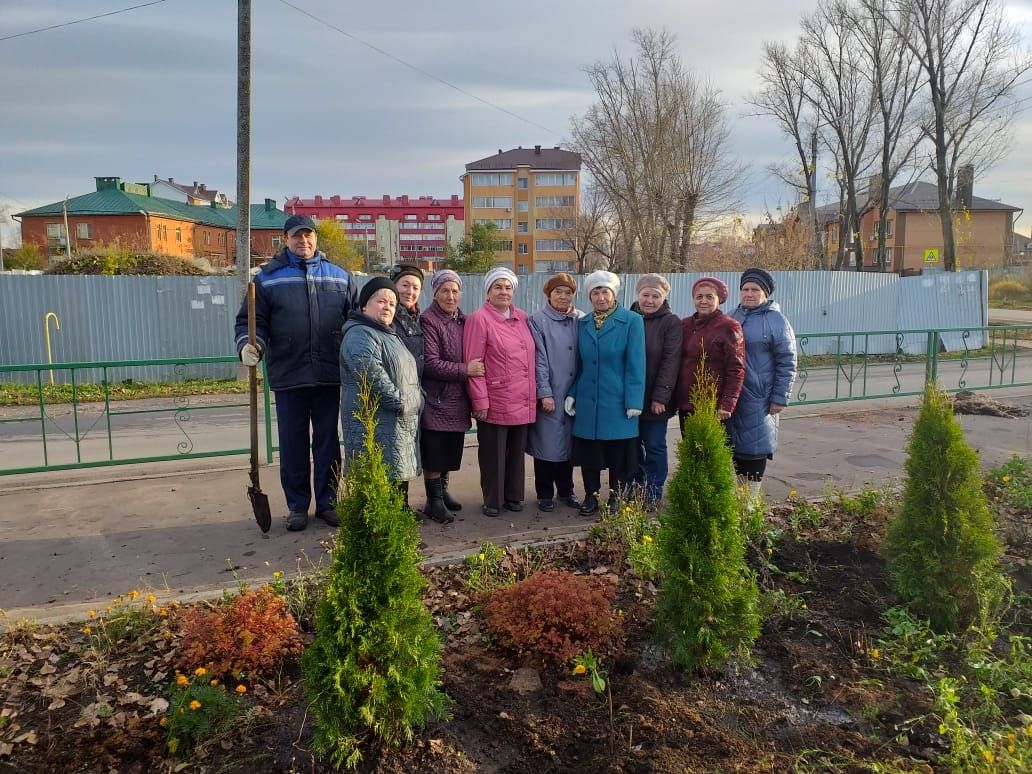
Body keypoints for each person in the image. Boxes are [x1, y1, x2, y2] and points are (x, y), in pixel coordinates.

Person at [234, 214, 357, 532]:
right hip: (289, 375)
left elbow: (355, 320)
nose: (303, 241)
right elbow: (251, 322)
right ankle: (297, 506)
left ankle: (328, 503)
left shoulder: (340, 278)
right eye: (296, 236)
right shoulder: (267, 279)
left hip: (329, 375)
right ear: (286, 240)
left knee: (328, 443)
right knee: (293, 445)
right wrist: (251, 346)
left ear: (316, 239)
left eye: (308, 235)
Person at [565, 270, 645, 516]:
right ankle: (591, 496)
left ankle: (615, 497)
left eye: (605, 292)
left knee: (617, 455)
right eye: (596, 293)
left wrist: (634, 400)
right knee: (590, 455)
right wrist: (573, 393)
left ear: (614, 294)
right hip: (589, 401)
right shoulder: (584, 323)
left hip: (618, 401)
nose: (601, 298)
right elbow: (582, 365)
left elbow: (636, 363)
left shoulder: (631, 321)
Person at [463, 266, 536, 517]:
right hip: (496, 399)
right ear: (489, 291)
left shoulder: (523, 318)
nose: (503, 292)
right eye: (498, 287)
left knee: (516, 453)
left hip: (523, 397)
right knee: (493, 454)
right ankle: (493, 500)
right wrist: (479, 401)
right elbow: (473, 363)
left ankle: (514, 496)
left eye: (507, 287)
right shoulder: (479, 319)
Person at [339, 277, 422, 489]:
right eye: (381, 301)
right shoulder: (360, 334)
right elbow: (371, 373)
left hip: (396, 424)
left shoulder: (388, 335)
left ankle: (398, 520)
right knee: (379, 486)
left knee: (395, 487)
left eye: (392, 304)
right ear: (365, 304)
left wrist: (420, 398)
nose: (387, 307)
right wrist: (402, 403)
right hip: (377, 423)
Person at [419, 270, 484, 523]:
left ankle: (443, 492)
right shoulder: (429, 320)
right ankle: (432, 501)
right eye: (445, 290)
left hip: (458, 398)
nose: (450, 296)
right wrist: (465, 370)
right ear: (435, 293)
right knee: (434, 452)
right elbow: (431, 363)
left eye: (455, 291)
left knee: (449, 450)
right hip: (437, 398)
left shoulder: (463, 321)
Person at [726, 268, 797, 503]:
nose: (749, 294)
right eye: (745, 289)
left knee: (755, 447)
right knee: (733, 446)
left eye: (755, 290)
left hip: (759, 397)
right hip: (731, 396)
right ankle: (738, 495)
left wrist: (780, 396)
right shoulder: (731, 316)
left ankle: (750, 501)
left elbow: (787, 361)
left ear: (765, 293)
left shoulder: (776, 321)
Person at [527, 273, 584, 512]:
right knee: (546, 446)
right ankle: (544, 492)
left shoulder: (581, 319)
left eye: (568, 292)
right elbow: (539, 359)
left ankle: (567, 490)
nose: (563, 296)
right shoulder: (538, 321)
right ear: (549, 294)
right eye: (558, 291)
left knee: (568, 446)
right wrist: (545, 392)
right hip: (551, 392)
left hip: (574, 393)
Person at [629, 274, 682, 507]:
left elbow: (671, 361)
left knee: (654, 445)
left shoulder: (670, 323)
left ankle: (653, 489)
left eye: (655, 296)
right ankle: (636, 483)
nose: (650, 300)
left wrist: (661, 396)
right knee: (631, 446)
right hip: (629, 397)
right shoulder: (628, 318)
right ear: (638, 295)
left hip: (655, 398)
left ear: (664, 297)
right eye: (645, 295)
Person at [675, 276, 745, 435]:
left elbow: (736, 369)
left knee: (712, 455)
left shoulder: (729, 326)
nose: (703, 301)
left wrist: (727, 404)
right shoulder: (685, 325)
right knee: (691, 453)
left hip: (714, 405)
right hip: (687, 404)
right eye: (699, 297)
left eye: (709, 297)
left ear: (719, 299)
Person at [389, 264, 425, 514]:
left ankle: (400, 505)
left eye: (415, 287)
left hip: (414, 394)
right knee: (393, 451)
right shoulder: (387, 314)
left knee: (406, 450)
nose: (410, 291)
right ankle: (393, 507)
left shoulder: (417, 317)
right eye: (405, 285)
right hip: (394, 395)